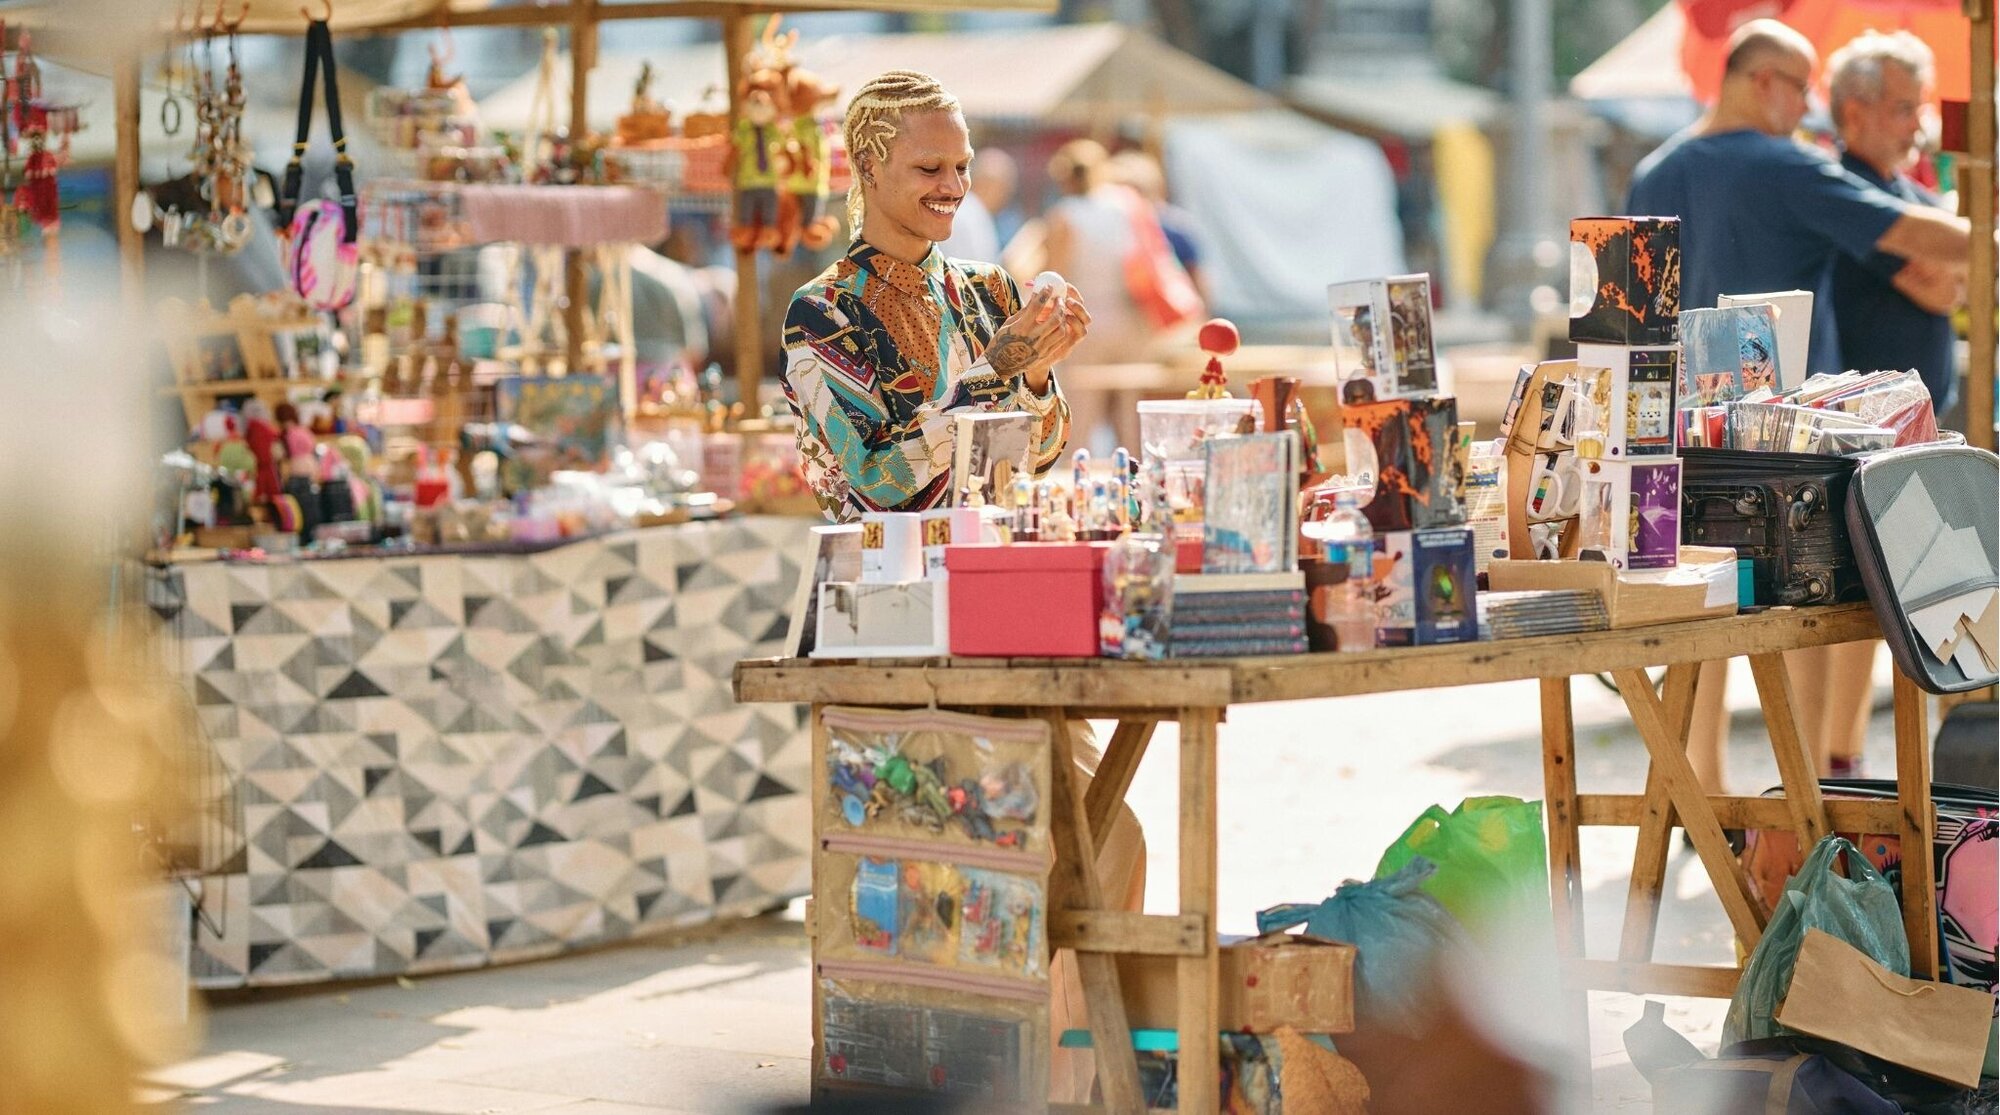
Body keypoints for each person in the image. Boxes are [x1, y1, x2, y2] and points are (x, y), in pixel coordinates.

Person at [1624, 19, 1978, 792]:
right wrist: (1983, 237)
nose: (1809, 107)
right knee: (1808, 613)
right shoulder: (1783, 165)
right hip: (1778, 438)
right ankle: (1811, 789)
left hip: (1672, 427)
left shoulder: (1655, 171)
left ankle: (1702, 794)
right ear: (1760, 82)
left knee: (1698, 613)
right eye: (1801, 87)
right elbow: (1913, 235)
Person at [780, 71, 1083, 521]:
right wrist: (995, 369)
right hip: (885, 579)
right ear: (867, 166)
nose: (955, 187)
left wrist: (1036, 373)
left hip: (992, 565)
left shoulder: (989, 288)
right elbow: (878, 480)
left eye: (962, 166)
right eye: (930, 168)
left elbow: (1031, 467)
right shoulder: (823, 310)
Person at [1827, 30, 1961, 411]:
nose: (1918, 127)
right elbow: (1944, 290)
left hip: (1916, 421)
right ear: (1855, 113)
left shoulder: (1903, 189)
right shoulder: (1843, 192)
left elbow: (1964, 277)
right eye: (1905, 109)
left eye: (1920, 109)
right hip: (1870, 428)